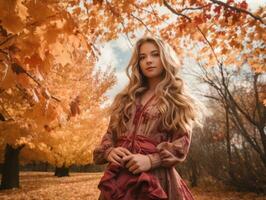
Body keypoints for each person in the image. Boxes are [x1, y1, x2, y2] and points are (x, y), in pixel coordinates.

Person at [93, 35, 203, 200]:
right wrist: (109, 151)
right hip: (118, 179)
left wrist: (152, 160)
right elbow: (110, 134)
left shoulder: (178, 99)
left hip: (155, 181)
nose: (148, 61)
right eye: (142, 57)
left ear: (165, 58)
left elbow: (181, 145)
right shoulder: (125, 98)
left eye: (155, 54)